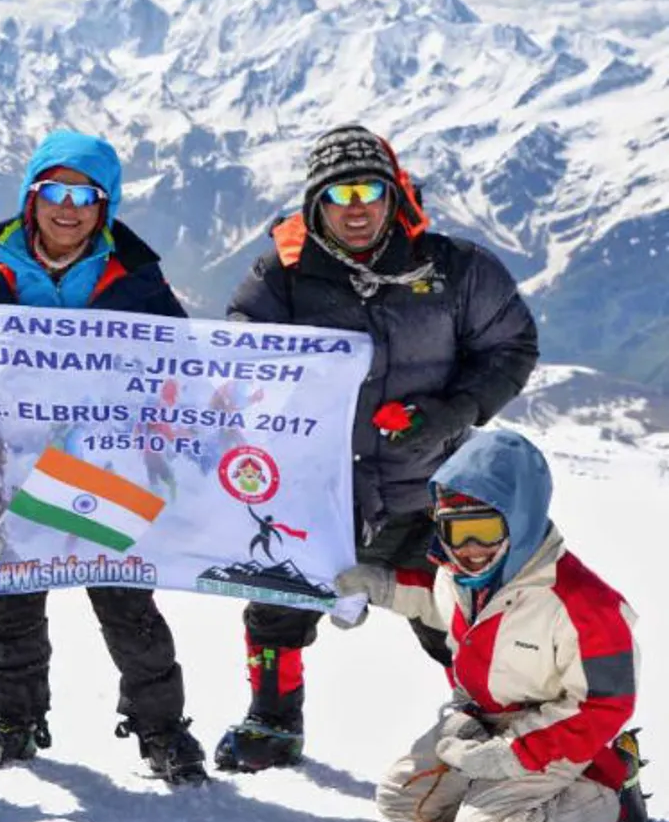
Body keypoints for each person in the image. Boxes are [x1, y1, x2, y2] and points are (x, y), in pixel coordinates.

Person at [0, 129, 207, 784]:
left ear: (104, 206)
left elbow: (177, 371)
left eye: (85, 194)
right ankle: (17, 721)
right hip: (8, 465)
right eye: (53, 190)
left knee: (126, 605)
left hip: (104, 466)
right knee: (15, 605)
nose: (68, 206)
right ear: (31, 197)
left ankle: (162, 731)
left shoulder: (136, 280)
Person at [216, 123, 540, 772]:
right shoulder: (280, 277)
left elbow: (511, 345)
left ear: (393, 194)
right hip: (318, 489)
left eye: (369, 188)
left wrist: (452, 411)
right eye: (338, 194)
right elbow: (240, 360)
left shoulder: (453, 269)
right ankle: (272, 723)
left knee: (451, 614)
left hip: (426, 485)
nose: (356, 206)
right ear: (316, 206)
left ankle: (497, 723)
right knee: (277, 603)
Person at [334, 428, 648, 822]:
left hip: (557, 730)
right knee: (402, 802)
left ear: (520, 519)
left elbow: (605, 704)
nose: (469, 549)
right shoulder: (458, 578)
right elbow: (435, 600)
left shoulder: (585, 605)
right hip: (482, 722)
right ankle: (512, 798)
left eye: (483, 529)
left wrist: (514, 754)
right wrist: (378, 587)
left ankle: (612, 800)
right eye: (454, 531)